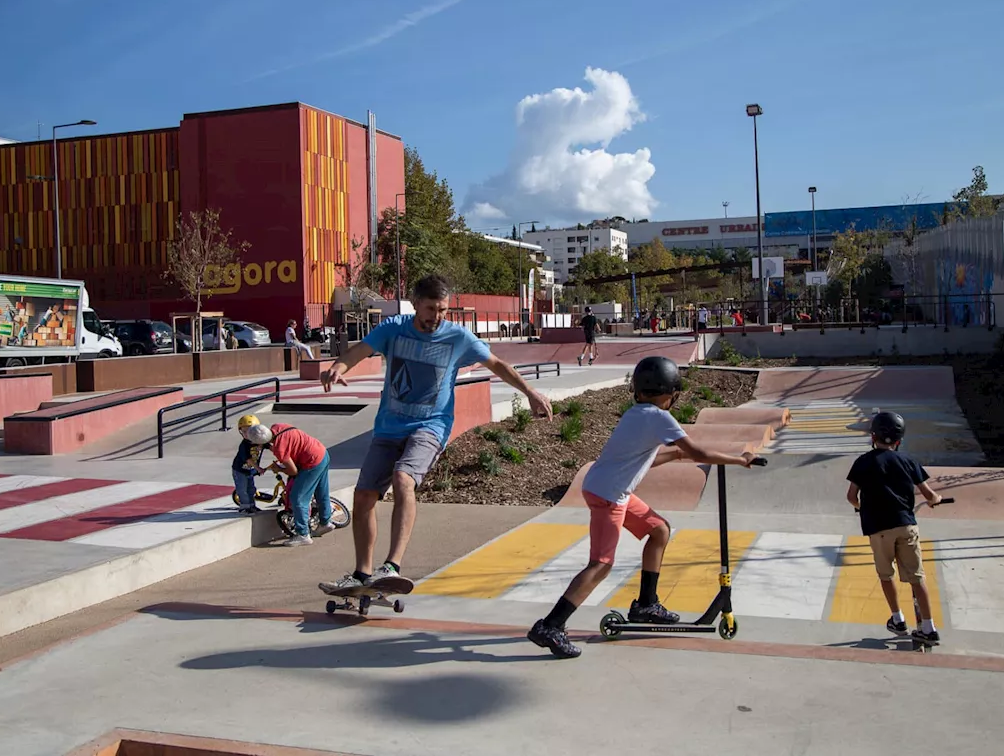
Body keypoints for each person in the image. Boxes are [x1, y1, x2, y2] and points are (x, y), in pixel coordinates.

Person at [318, 274, 554, 593]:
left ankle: (392, 566)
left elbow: (497, 364)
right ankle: (362, 574)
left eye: (443, 310)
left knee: (404, 479)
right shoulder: (393, 329)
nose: (437, 317)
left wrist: (530, 392)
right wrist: (338, 367)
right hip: (388, 427)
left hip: (431, 426)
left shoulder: (457, 337)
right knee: (363, 497)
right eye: (431, 309)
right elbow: (358, 352)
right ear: (416, 304)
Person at [527, 356, 760, 659]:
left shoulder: (636, 413)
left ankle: (646, 604)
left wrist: (674, 456)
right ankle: (550, 626)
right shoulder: (659, 417)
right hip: (609, 495)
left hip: (609, 489)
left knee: (659, 530)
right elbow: (697, 451)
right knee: (601, 564)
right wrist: (740, 459)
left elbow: (638, 458)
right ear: (670, 394)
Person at [845, 411, 944, 645]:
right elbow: (929, 495)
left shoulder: (863, 462)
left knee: (886, 574)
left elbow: (851, 496)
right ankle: (929, 627)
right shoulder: (908, 461)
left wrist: (861, 507)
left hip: (878, 528)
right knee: (917, 577)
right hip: (906, 525)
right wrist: (935, 500)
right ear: (899, 440)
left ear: (873, 436)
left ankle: (897, 619)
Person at [248, 420, 338, 547]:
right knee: (321, 491)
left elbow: (293, 471)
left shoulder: (279, 449)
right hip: (322, 453)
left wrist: (279, 469)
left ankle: (303, 534)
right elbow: (293, 444)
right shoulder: (278, 426)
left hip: (311, 463)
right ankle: (325, 522)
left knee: (297, 498)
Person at [231, 414, 267, 515]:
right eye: (244, 431)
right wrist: (258, 468)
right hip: (240, 470)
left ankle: (252, 505)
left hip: (250, 471)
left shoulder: (260, 441)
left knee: (251, 489)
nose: (247, 434)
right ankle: (244, 507)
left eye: (250, 431)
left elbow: (270, 444)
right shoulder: (244, 445)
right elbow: (249, 460)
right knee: (242, 489)